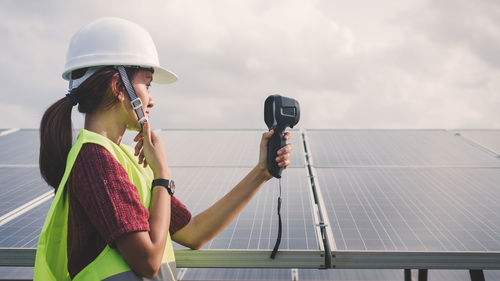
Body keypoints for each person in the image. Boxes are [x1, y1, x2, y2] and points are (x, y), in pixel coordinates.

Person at [34, 17, 293, 281]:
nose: (151, 100)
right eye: (146, 84)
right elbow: (148, 262)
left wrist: (262, 172)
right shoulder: (95, 160)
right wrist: (162, 176)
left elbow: (194, 232)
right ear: (118, 88)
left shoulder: (121, 161)